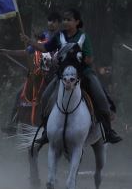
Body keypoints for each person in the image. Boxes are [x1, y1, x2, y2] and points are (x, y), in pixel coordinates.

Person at [24, 8, 121, 144]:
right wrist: (30, 42)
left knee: (101, 97)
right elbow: (45, 48)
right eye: (64, 19)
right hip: (63, 75)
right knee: (45, 97)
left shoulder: (83, 37)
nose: (65, 22)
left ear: (77, 21)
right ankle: (46, 132)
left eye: (69, 19)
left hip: (83, 73)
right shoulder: (59, 36)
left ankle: (108, 131)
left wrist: (77, 56)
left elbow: (89, 58)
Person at [0, 12, 60, 133]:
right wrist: (7, 52)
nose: (51, 23)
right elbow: (26, 52)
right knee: (19, 94)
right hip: (39, 73)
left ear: (59, 23)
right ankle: (13, 123)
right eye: (49, 20)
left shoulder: (61, 37)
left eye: (54, 21)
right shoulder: (43, 37)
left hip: (55, 74)